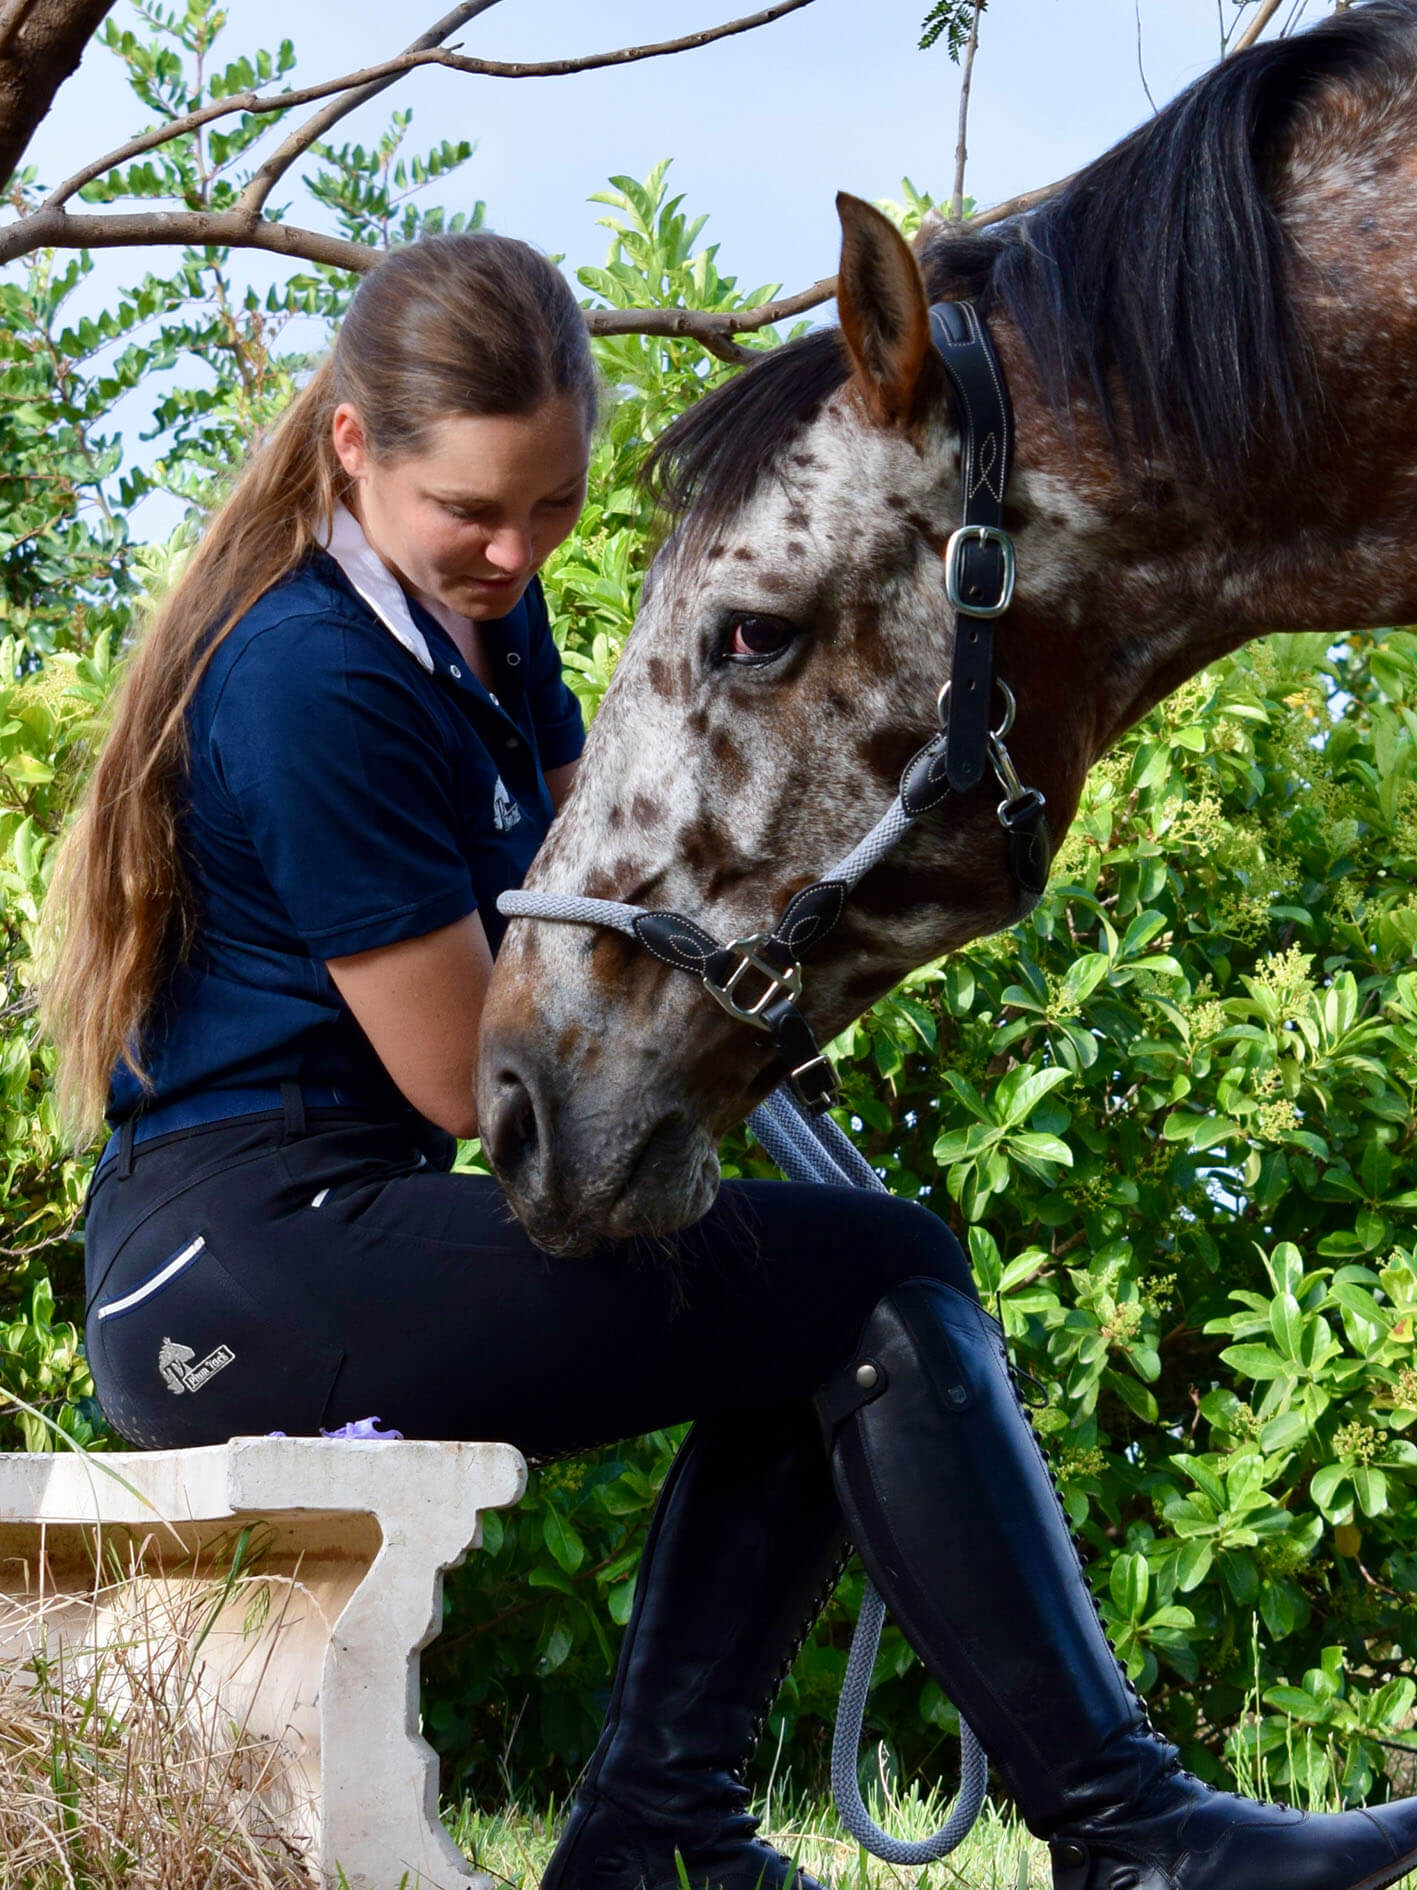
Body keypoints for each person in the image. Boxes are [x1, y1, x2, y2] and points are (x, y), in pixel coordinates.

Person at [41, 231, 1417, 1890]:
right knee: (874, 1272)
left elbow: (607, 883)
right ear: (354, 448)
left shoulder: (476, 624)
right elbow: (458, 1085)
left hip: (324, 1233)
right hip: (235, 1264)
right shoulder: (309, 678)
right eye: (468, 510)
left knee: (823, 1291)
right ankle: (1119, 1831)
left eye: (549, 506)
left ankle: (660, 1829)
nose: (510, 547)